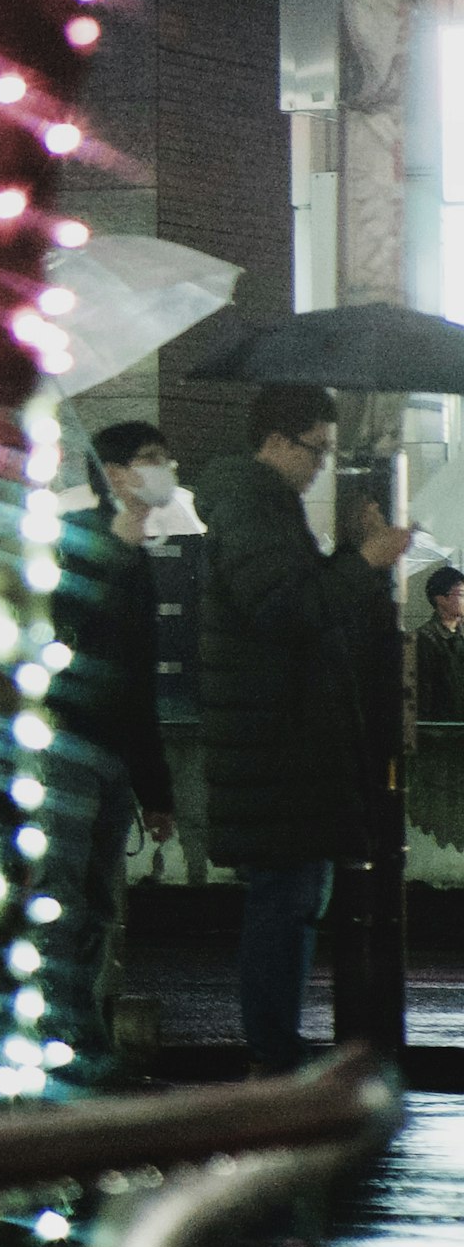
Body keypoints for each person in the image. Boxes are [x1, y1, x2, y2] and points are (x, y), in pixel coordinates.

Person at [191, 385, 408, 1074]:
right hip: (277, 747)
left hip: (279, 744)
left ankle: (278, 1048)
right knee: (284, 904)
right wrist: (365, 561)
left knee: (289, 901)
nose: (319, 466)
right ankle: (275, 1054)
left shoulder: (261, 505)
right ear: (280, 441)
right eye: (316, 450)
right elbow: (288, 608)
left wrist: (351, 553)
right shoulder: (253, 503)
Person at [43, 421, 181, 1065]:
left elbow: (139, 679)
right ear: (118, 472)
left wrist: (155, 790)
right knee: (63, 899)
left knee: (95, 903)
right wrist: (116, 553)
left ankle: (81, 1028)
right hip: (64, 746)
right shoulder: (79, 540)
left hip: (113, 756)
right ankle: (58, 1033)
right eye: (152, 459)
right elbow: (66, 631)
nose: (167, 469)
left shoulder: (138, 554)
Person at [418, 565, 464, 723]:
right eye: (462, 594)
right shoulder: (425, 639)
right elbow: (423, 695)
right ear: (440, 599)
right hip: (444, 732)